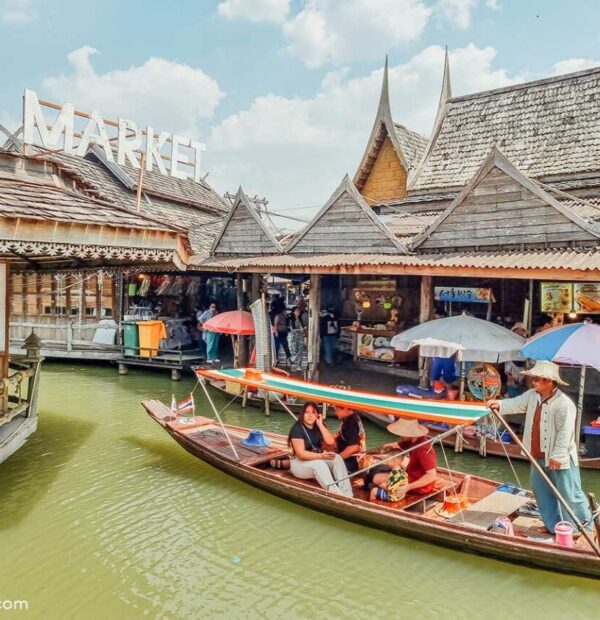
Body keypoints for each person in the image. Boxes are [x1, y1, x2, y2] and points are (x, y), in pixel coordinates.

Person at [487, 360, 592, 534]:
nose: (534, 382)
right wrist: (500, 405)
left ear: (549, 382)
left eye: (538, 379)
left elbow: (565, 434)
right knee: (542, 493)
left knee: (570, 494)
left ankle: (583, 527)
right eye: (534, 379)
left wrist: (557, 456)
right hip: (537, 455)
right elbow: (516, 404)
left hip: (560, 459)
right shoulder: (532, 395)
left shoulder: (563, 404)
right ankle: (553, 525)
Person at [288, 402, 353, 497]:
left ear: (317, 415)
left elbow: (330, 442)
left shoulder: (318, 426)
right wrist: (321, 456)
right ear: (302, 414)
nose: (310, 415)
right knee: (320, 464)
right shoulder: (297, 429)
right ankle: (337, 495)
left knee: (337, 458)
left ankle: (347, 494)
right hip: (299, 463)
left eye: (313, 412)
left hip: (316, 458)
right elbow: (301, 454)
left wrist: (320, 424)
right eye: (307, 412)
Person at [367, 418, 437, 502]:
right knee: (377, 471)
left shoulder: (423, 449)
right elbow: (394, 446)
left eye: (403, 434)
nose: (400, 436)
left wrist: (408, 487)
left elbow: (432, 476)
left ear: (410, 433)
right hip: (410, 474)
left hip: (418, 486)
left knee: (375, 478)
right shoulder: (411, 440)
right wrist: (367, 452)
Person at [333, 405, 366, 474]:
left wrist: (336, 459)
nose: (335, 412)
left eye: (337, 410)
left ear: (345, 408)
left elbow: (353, 448)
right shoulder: (355, 417)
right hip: (357, 459)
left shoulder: (350, 424)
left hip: (349, 462)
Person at [288, 306, 306, 371]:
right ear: (293, 312)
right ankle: (293, 365)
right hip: (294, 336)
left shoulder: (300, 319)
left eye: (299, 311)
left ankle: (296, 362)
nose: (298, 312)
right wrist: (299, 329)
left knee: (300, 349)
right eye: (297, 311)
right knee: (294, 350)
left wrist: (303, 329)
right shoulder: (291, 319)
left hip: (300, 336)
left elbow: (302, 327)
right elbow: (292, 329)